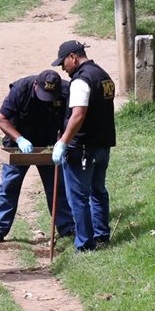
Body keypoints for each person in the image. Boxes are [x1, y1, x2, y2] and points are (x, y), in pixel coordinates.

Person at [0, 70, 75, 243]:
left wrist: (62, 142)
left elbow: (71, 120)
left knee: (57, 187)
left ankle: (66, 227)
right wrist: (19, 139)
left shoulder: (66, 91)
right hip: (20, 142)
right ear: (36, 85)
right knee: (9, 185)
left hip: (49, 145)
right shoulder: (21, 89)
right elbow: (1, 119)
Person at [51, 40, 115, 253]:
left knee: (78, 197)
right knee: (98, 191)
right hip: (103, 144)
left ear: (73, 57)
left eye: (63, 63)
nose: (63, 68)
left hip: (83, 148)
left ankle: (86, 244)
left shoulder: (81, 81)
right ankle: (102, 236)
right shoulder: (103, 75)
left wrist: (63, 142)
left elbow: (78, 115)